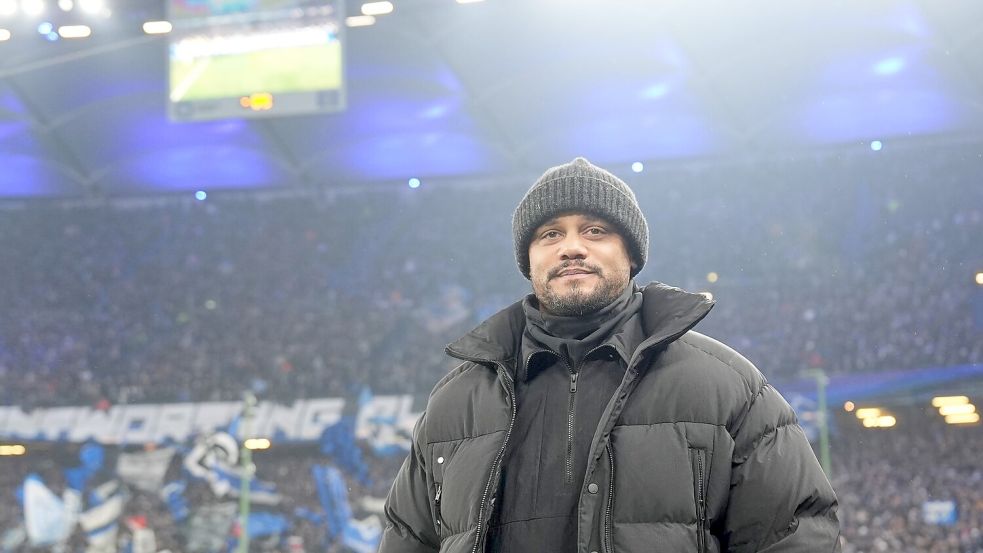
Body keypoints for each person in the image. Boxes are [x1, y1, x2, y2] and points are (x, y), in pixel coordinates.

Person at [379, 157, 840, 553]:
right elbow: (408, 538)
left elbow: (794, 535)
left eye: (595, 230)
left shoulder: (728, 387)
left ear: (631, 254)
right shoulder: (455, 402)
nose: (571, 247)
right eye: (550, 234)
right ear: (528, 260)